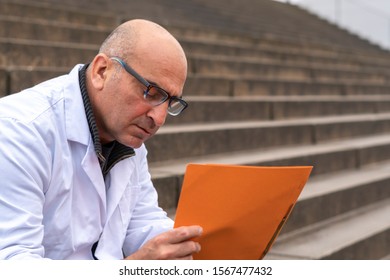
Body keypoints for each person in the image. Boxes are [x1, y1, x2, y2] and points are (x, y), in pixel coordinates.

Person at [0, 19, 202, 260]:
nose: (159, 118)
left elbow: (142, 222)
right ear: (101, 71)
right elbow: (13, 263)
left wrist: (189, 246)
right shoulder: (18, 132)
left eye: (170, 102)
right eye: (151, 92)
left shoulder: (128, 137)